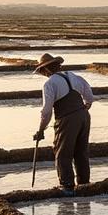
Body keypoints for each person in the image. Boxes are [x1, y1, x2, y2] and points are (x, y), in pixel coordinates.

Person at [32, 53, 94, 195]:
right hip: (84, 116)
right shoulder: (74, 76)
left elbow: (47, 111)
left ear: (46, 70)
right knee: (81, 152)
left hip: (67, 119)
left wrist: (41, 129)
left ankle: (67, 187)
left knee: (62, 154)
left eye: (42, 71)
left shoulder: (49, 84)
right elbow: (89, 97)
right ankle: (84, 184)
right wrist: (85, 107)